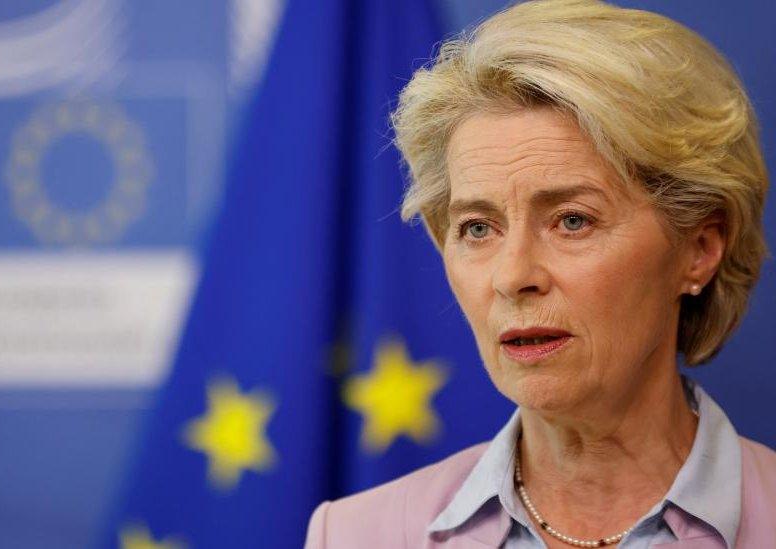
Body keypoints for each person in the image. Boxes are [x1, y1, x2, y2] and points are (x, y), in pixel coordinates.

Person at [304, 0, 776, 547]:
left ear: (699, 248)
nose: (512, 275)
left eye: (572, 221)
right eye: (478, 228)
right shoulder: (355, 535)